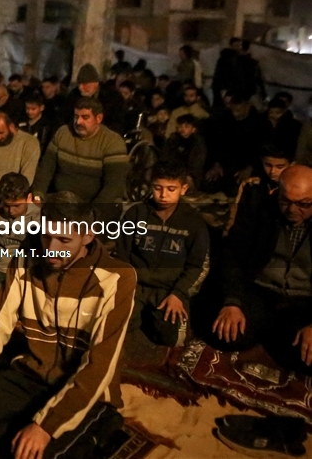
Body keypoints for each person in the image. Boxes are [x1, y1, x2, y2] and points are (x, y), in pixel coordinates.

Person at [0, 192, 136, 458]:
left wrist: (45, 426)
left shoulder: (117, 278)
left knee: (34, 454)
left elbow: (99, 365)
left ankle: (101, 421)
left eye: (64, 240)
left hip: (84, 387)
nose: (51, 248)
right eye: (46, 236)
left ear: (88, 236)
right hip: (31, 375)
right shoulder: (26, 259)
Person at [196, 165, 312, 373]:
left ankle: (274, 333)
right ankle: (269, 331)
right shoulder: (260, 206)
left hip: (304, 302)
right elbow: (232, 253)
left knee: (306, 358)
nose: (292, 210)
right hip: (260, 291)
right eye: (285, 201)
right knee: (224, 333)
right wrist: (232, 301)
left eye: (304, 204)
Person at [116, 162, 210, 347]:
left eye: (171, 189)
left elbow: (196, 266)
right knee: (114, 325)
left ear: (183, 189)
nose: (163, 194)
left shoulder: (194, 222)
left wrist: (178, 293)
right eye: (158, 188)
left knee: (172, 339)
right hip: (135, 284)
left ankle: (153, 316)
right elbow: (121, 255)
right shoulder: (136, 213)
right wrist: (124, 285)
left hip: (169, 289)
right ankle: (139, 312)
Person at [33, 97, 128, 206]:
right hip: (61, 200)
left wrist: (93, 212)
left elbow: (114, 185)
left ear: (99, 118)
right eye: (76, 116)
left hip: (95, 203)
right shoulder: (63, 133)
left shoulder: (112, 142)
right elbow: (46, 168)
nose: (78, 122)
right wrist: (38, 194)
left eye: (85, 117)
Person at [0, 174, 40, 288]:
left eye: (17, 205)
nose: (11, 211)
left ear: (29, 198)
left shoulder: (39, 218)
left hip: (24, 272)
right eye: (6, 205)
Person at [160, 114, 207, 188]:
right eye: (180, 126)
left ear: (193, 129)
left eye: (186, 127)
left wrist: (187, 174)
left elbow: (197, 164)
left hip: (188, 175)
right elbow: (165, 157)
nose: (183, 129)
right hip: (171, 172)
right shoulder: (172, 140)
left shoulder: (198, 144)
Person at [18, 91, 56, 156]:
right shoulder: (21, 121)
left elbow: (43, 145)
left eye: (33, 109)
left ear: (41, 108)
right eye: (27, 108)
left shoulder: (45, 125)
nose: (29, 112)